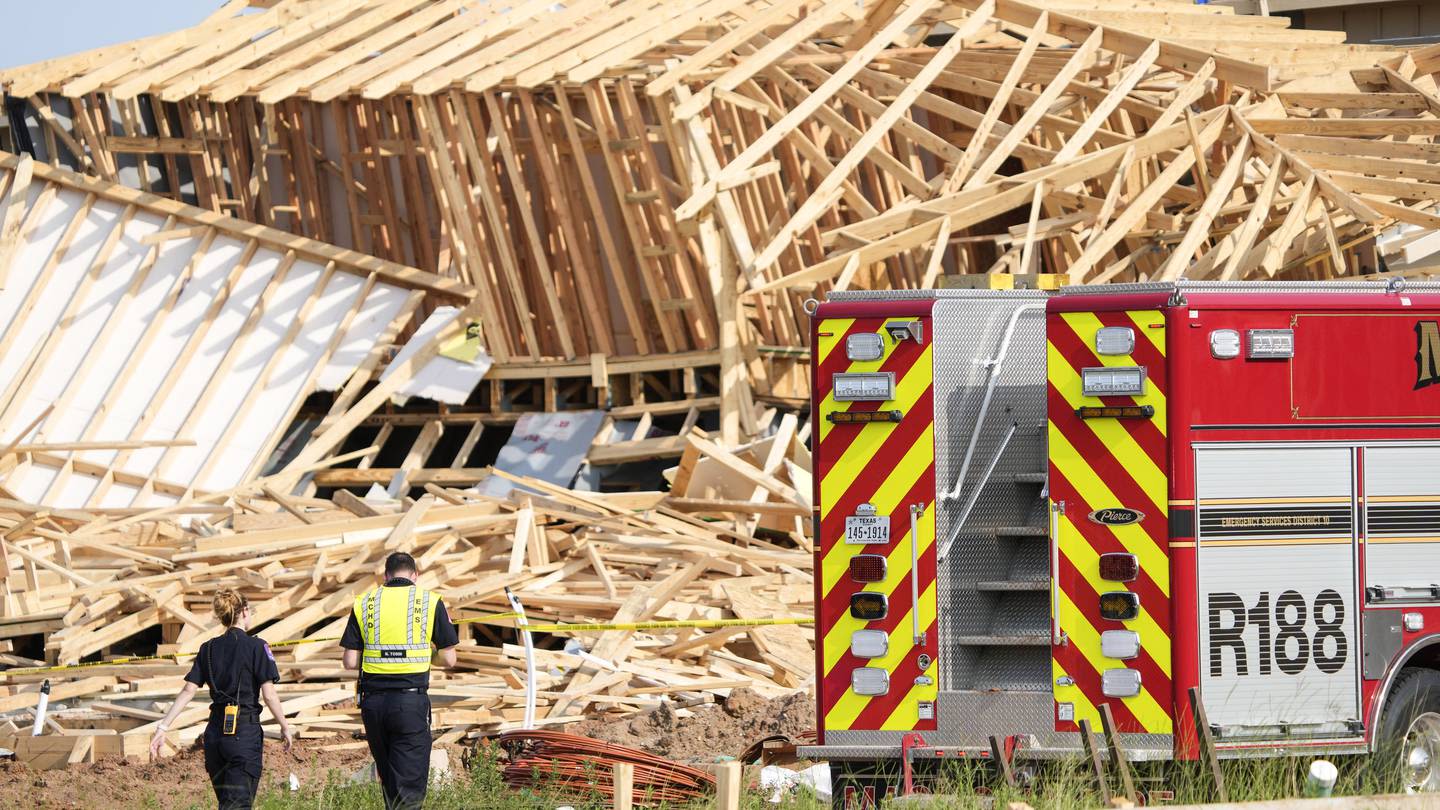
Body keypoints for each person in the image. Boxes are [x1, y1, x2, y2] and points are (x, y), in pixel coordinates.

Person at [149, 588, 295, 810]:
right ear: (244, 611)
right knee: (238, 805)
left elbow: (188, 690)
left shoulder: (207, 649)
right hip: (244, 734)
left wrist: (162, 727)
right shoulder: (257, 646)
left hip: (215, 737)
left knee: (227, 804)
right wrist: (285, 726)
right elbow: (269, 694)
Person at [342, 551, 459, 810]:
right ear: (414, 575)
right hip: (409, 702)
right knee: (409, 788)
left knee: (391, 783)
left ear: (385, 576)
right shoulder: (430, 601)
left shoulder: (363, 602)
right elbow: (450, 659)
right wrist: (428, 656)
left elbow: (350, 661)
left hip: (373, 706)